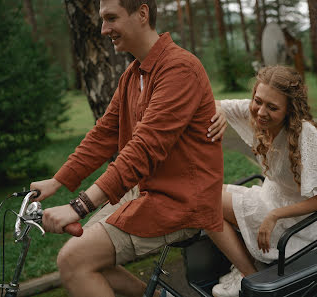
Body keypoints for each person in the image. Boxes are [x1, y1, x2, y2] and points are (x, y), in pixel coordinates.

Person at [30, 0, 223, 296]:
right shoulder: (134, 75)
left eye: (111, 18)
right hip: (145, 191)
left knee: (72, 261)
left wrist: (78, 206)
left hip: (181, 202)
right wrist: (57, 181)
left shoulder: (179, 68)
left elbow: (143, 149)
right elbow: (104, 134)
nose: (104, 28)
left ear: (142, 14)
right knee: (81, 250)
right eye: (102, 19)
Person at [206, 66, 317, 297]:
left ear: (290, 110)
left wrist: (275, 215)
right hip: (267, 197)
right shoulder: (255, 112)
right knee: (207, 194)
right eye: (258, 101)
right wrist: (219, 112)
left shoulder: (305, 135)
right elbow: (212, 103)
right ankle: (246, 270)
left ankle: (250, 279)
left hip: (294, 221)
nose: (261, 112)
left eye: (272, 107)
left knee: (205, 203)